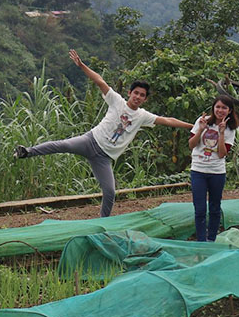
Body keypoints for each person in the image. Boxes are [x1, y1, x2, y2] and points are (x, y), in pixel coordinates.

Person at [14, 49, 192, 217]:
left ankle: (102, 222)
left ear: (145, 99)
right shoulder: (117, 101)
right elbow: (100, 81)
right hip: (90, 141)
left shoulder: (142, 116)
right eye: (135, 93)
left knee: (110, 192)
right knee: (62, 145)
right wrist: (82, 65)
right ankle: (27, 152)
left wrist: (192, 126)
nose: (137, 97)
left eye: (142, 95)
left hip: (104, 158)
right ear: (129, 93)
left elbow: (168, 120)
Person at [188, 95, 239, 241]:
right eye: (218, 107)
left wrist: (221, 133)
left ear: (229, 111)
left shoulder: (230, 129)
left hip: (217, 172)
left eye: (224, 108)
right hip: (198, 170)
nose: (220, 110)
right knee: (200, 209)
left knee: (215, 207)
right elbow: (191, 145)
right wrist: (201, 130)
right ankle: (201, 240)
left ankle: (212, 239)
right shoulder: (202, 121)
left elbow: (222, 153)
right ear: (213, 108)